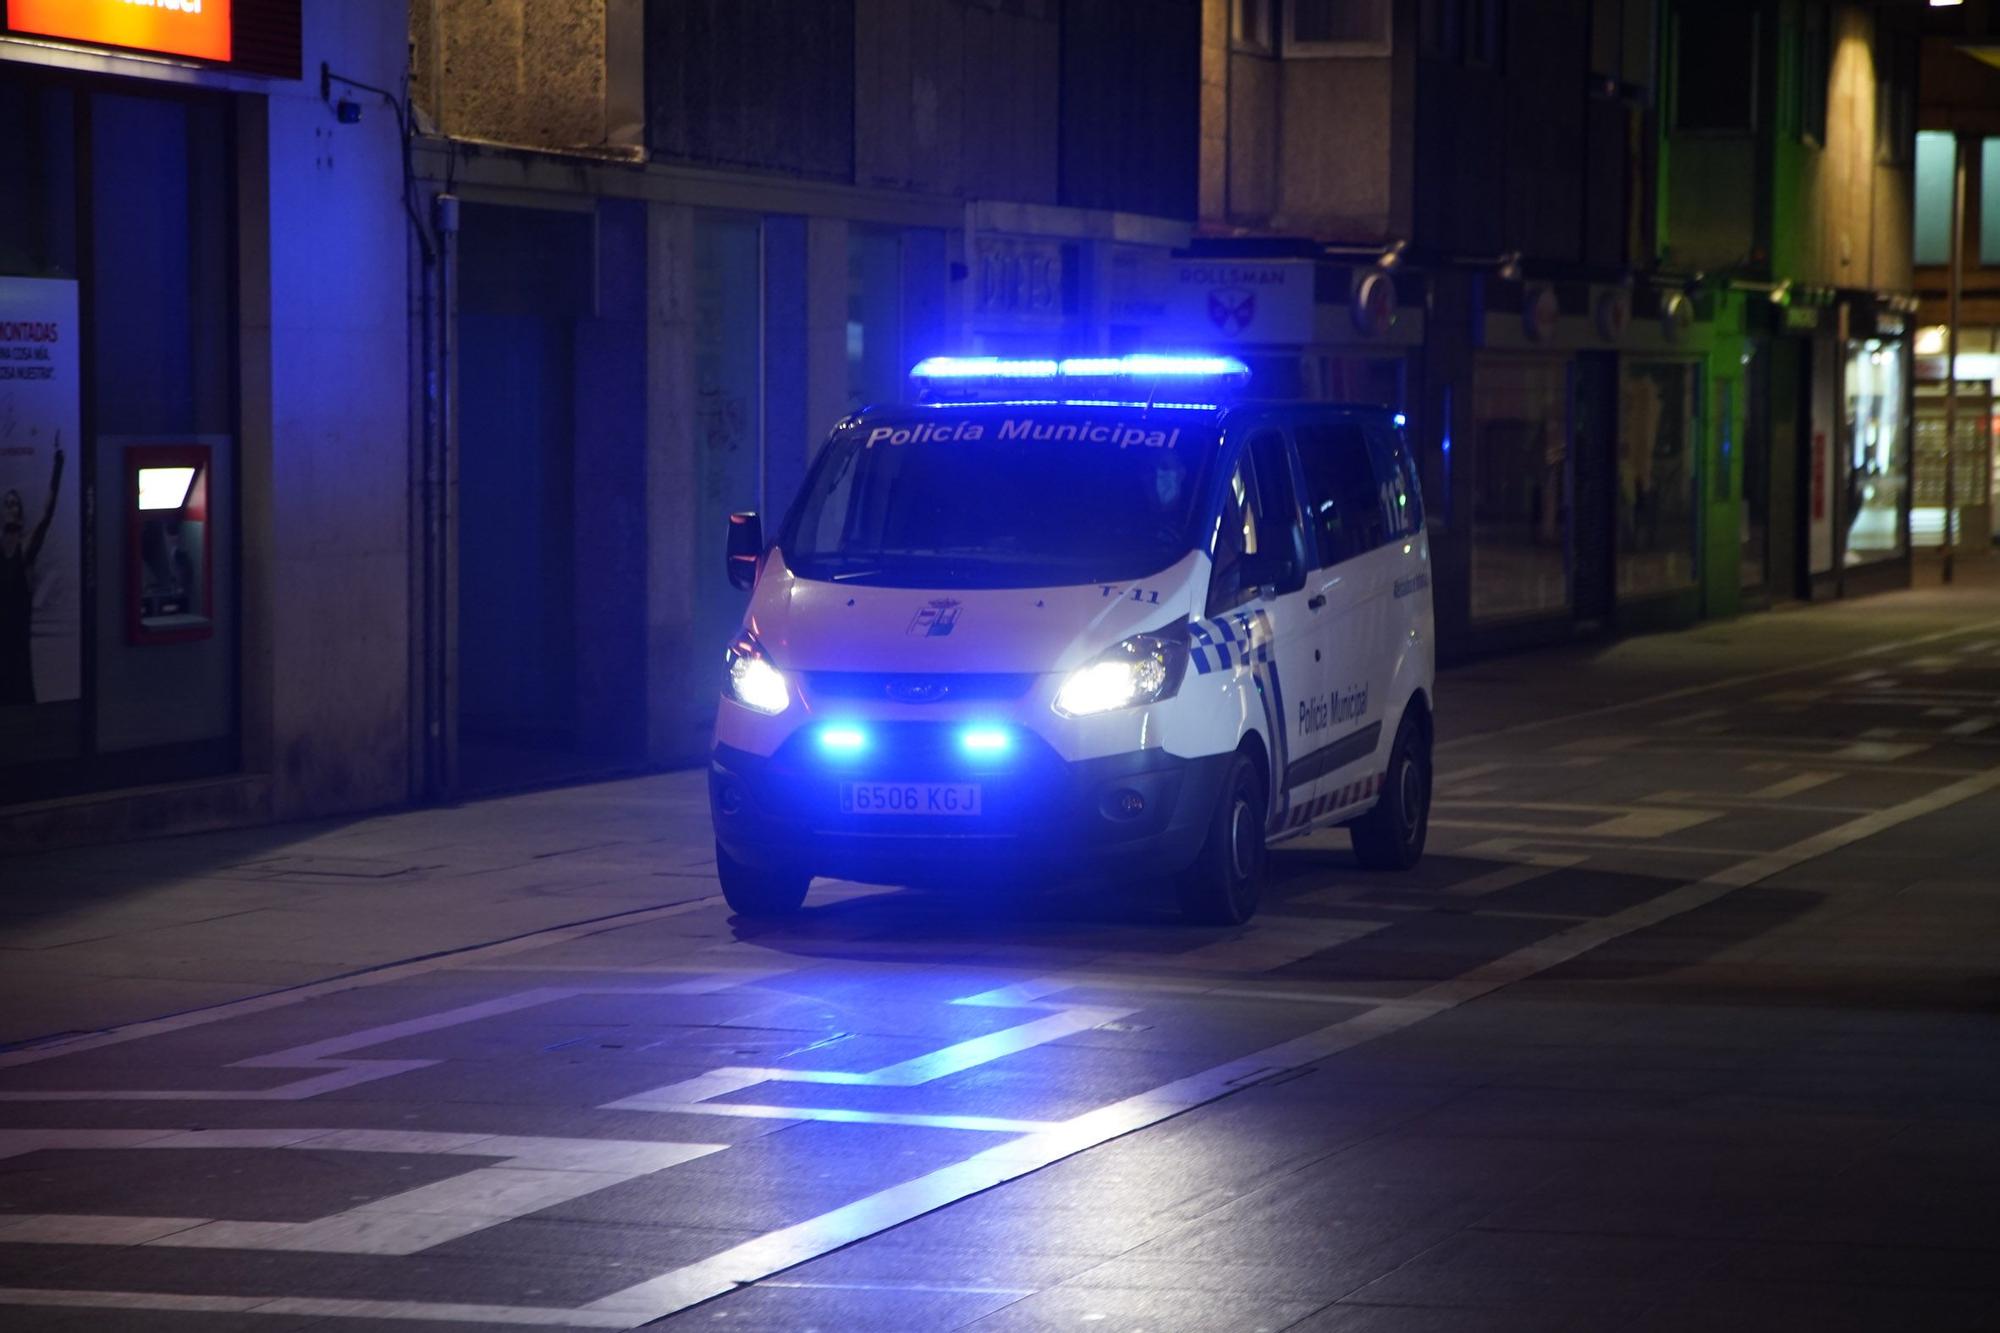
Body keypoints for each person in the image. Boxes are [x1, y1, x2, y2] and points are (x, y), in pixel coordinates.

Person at [1, 439, 64, 707]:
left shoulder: (26, 546)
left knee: (19, 694)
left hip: (16, 641)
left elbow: (48, 513)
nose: (13, 507)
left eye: (16, 504)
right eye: (8, 503)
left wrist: (58, 467)